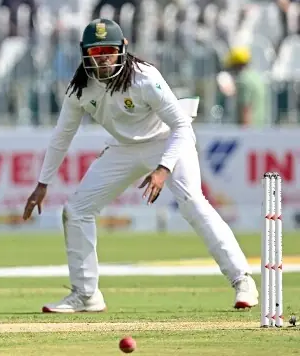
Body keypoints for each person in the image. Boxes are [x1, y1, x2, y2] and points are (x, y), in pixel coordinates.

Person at [22, 18, 258, 313]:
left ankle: (242, 280)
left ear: (123, 48)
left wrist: (163, 169)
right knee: (76, 210)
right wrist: (43, 183)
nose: (104, 59)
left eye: (109, 50)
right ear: (85, 53)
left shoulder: (145, 77)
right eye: (96, 53)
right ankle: (86, 295)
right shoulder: (80, 87)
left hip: (166, 140)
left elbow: (182, 127)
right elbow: (62, 136)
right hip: (124, 148)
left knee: (192, 202)